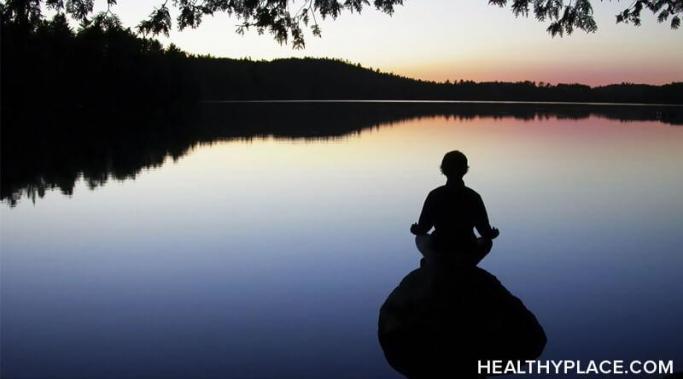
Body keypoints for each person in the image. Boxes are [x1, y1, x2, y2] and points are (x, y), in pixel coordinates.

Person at [410, 150, 499, 266]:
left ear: (443, 169)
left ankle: (434, 261)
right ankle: (465, 263)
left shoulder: (435, 195)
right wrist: (493, 233)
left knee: (420, 238)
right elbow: (484, 232)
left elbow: (423, 229)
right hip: (467, 247)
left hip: (440, 247)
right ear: (465, 170)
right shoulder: (473, 196)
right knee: (487, 242)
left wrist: (415, 229)